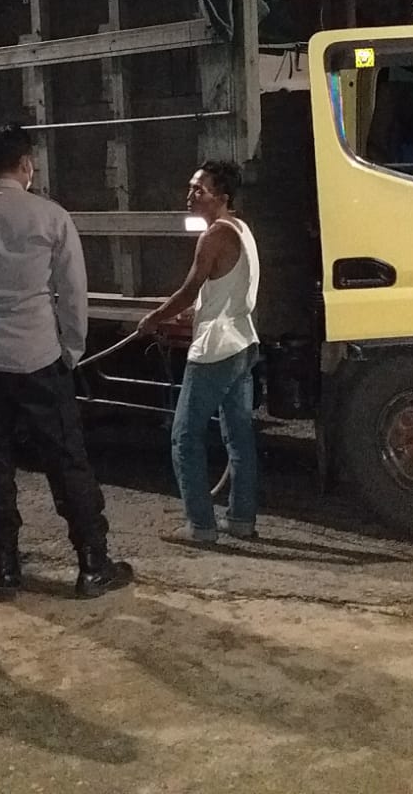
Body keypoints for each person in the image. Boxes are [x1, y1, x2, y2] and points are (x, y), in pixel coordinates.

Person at [0, 124, 133, 601]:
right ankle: (92, 564)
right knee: (67, 462)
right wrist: (72, 349)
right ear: (26, 164)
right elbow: (73, 292)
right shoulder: (52, 216)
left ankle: (4, 567)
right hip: (40, 358)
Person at [137, 160, 260, 544]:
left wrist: (154, 318)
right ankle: (241, 520)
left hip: (214, 350)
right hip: (243, 341)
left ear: (221, 196)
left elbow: (189, 289)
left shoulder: (214, 236)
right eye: (191, 187)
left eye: (199, 190)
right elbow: (226, 286)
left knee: (184, 438)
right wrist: (201, 308)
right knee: (239, 439)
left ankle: (200, 526)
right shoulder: (241, 229)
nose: (190, 195)